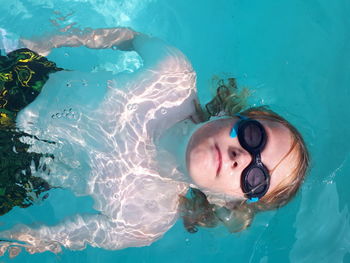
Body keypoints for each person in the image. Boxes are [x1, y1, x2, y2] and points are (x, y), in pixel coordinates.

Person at [0, 27, 309, 257]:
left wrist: (16, 239)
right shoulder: (171, 76)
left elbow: (60, 234)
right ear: (231, 115)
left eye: (256, 178)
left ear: (228, 202)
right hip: (26, 82)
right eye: (254, 136)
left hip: (17, 170)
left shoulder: (146, 220)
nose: (241, 156)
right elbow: (128, 38)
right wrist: (47, 42)